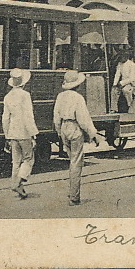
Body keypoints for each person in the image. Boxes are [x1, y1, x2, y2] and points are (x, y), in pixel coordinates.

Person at [53, 70, 101, 205]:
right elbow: (84, 119)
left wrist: (59, 131)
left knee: (71, 160)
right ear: (77, 85)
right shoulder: (78, 98)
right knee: (76, 162)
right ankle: (74, 197)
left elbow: (56, 117)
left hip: (63, 128)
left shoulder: (60, 96)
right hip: (74, 128)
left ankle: (72, 191)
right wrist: (93, 134)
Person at [2, 68, 38, 199]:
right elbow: (29, 116)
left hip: (12, 132)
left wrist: (7, 135)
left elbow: (5, 118)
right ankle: (18, 182)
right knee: (28, 158)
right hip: (24, 132)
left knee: (16, 161)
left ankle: (17, 186)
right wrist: (33, 134)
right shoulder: (25, 95)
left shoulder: (7, 97)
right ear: (23, 83)